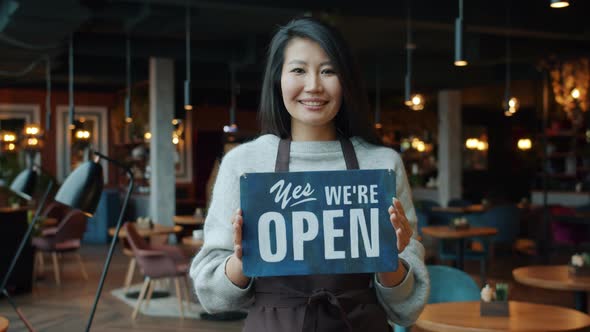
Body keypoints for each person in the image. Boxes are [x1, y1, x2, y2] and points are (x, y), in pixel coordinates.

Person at [190, 17, 429, 331]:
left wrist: (389, 259)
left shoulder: (382, 164)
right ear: (278, 78)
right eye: (299, 70)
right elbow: (213, 297)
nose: (314, 85)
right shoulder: (244, 163)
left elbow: (406, 308)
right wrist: (242, 258)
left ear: (346, 81)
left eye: (328, 71)